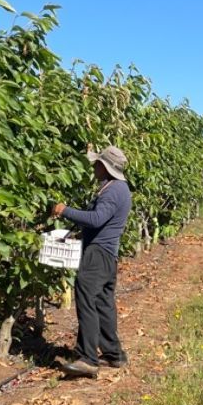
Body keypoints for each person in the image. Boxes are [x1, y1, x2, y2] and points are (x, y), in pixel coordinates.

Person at [50, 146, 132, 378]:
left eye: (97, 164)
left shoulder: (113, 190)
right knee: (103, 303)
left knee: (86, 300)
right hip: (107, 255)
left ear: (105, 167)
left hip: (98, 256)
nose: (93, 167)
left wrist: (64, 210)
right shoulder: (119, 188)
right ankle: (113, 354)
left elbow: (96, 219)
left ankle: (88, 358)